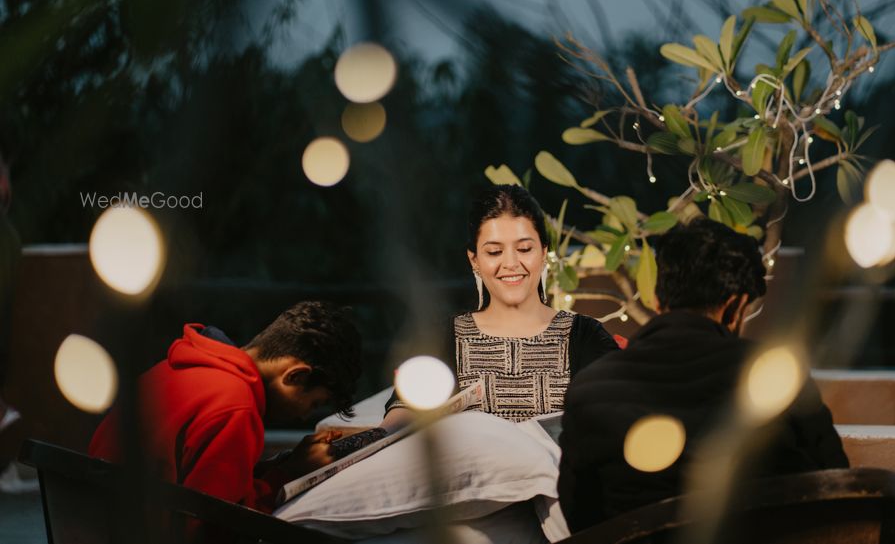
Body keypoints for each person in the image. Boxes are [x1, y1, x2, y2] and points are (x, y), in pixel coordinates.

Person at [557, 218, 848, 533]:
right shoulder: (776, 376)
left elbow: (580, 517)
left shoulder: (591, 388)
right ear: (734, 307)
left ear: (657, 298)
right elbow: (835, 489)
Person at [89, 301, 363, 514]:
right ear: (295, 375)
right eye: (313, 403)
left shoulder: (180, 367)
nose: (304, 415)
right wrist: (289, 474)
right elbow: (214, 527)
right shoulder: (235, 407)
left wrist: (282, 466)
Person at [382, 184, 618, 429]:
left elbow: (618, 419)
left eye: (524, 249)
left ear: (543, 253)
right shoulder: (444, 338)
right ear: (474, 260)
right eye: (494, 252)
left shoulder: (585, 336)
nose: (511, 263)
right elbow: (400, 420)